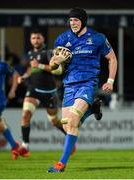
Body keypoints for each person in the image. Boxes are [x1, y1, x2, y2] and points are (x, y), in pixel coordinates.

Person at [47, 7, 117, 172]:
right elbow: (54, 68)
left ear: (83, 21)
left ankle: (61, 164)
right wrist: (57, 61)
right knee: (67, 126)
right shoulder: (63, 39)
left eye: (76, 20)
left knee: (72, 120)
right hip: (69, 85)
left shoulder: (97, 38)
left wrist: (110, 80)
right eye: (71, 20)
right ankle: (92, 108)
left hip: (88, 83)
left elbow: (112, 58)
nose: (73, 23)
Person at [9, 29, 69, 157]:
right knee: (25, 116)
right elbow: (32, 68)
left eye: (38, 38)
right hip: (33, 89)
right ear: (30, 40)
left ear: (43, 39)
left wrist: (40, 66)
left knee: (54, 120)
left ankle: (69, 137)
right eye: (33, 38)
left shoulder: (49, 53)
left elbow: (58, 71)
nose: (35, 40)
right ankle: (25, 146)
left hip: (49, 91)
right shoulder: (30, 53)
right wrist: (24, 76)